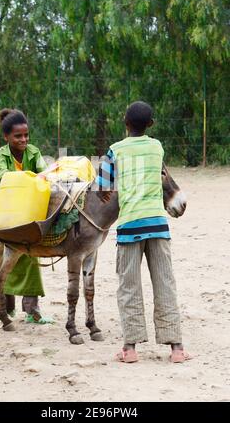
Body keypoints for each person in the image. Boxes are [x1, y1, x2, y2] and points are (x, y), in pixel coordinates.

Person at [96, 101, 191, 363]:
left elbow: (102, 184)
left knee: (129, 286)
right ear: (150, 125)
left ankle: (130, 349)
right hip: (158, 226)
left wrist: (107, 190)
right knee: (165, 283)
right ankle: (177, 349)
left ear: (125, 124)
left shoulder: (115, 150)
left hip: (129, 227)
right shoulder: (157, 147)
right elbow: (160, 175)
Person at [0, 108, 54, 324]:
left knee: (31, 255)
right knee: (3, 258)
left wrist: (42, 176)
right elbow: (0, 176)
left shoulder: (34, 152)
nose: (24, 139)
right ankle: (6, 306)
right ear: (6, 137)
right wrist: (27, 178)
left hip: (29, 208)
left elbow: (44, 172)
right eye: (18, 136)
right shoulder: (0, 155)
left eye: (26, 135)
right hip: (9, 206)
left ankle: (32, 309)